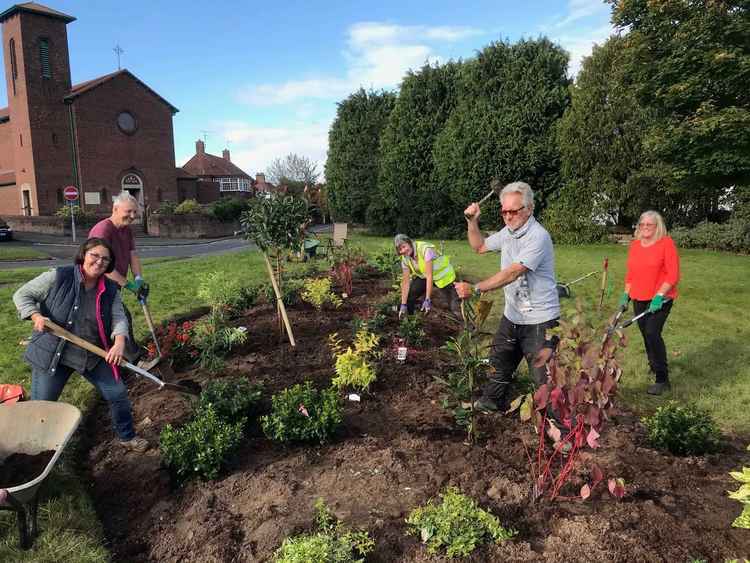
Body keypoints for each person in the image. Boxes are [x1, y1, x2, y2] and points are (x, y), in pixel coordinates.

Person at [13, 238, 149, 452]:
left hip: (91, 354)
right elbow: (22, 295)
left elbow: (118, 316)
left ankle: (127, 437)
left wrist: (120, 341)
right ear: (83, 255)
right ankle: (35, 450)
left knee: (118, 393)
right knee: (42, 406)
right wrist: (36, 315)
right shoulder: (58, 276)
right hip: (53, 353)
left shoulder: (110, 290)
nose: (99, 262)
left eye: (105, 259)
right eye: (94, 255)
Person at [454, 181, 560, 413]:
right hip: (513, 315)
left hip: (540, 320)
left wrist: (477, 288)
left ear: (529, 208)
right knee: (499, 362)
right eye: (504, 211)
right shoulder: (508, 233)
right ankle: (491, 401)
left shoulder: (537, 236)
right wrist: (472, 221)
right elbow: (479, 246)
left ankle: (558, 429)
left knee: (543, 379)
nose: (508, 216)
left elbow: (513, 272)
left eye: (514, 210)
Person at [618, 210, 680, 395]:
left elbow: (673, 274)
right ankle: (653, 365)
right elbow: (631, 274)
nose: (645, 227)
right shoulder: (636, 245)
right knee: (646, 334)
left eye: (649, 225)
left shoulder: (666, 244)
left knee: (653, 333)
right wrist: (625, 295)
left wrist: (660, 295)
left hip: (660, 299)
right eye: (642, 224)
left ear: (657, 226)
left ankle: (662, 379)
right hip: (639, 296)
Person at [89, 192, 147, 362]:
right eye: (128, 211)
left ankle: (117, 359)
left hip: (111, 286)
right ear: (115, 208)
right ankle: (134, 361)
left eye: (135, 212)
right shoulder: (103, 230)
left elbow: (132, 255)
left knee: (112, 321)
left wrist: (138, 279)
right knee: (121, 318)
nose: (133, 216)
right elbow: (103, 267)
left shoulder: (126, 231)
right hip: (96, 287)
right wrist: (129, 285)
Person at [395, 234, 460, 318]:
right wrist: (403, 304)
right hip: (425, 277)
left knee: (454, 306)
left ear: (409, 242)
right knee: (410, 295)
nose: (403, 251)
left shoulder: (425, 249)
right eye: (400, 250)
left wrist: (427, 299)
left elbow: (430, 275)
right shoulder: (405, 258)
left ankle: (467, 327)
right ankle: (410, 318)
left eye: (404, 247)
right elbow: (405, 282)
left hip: (444, 277)